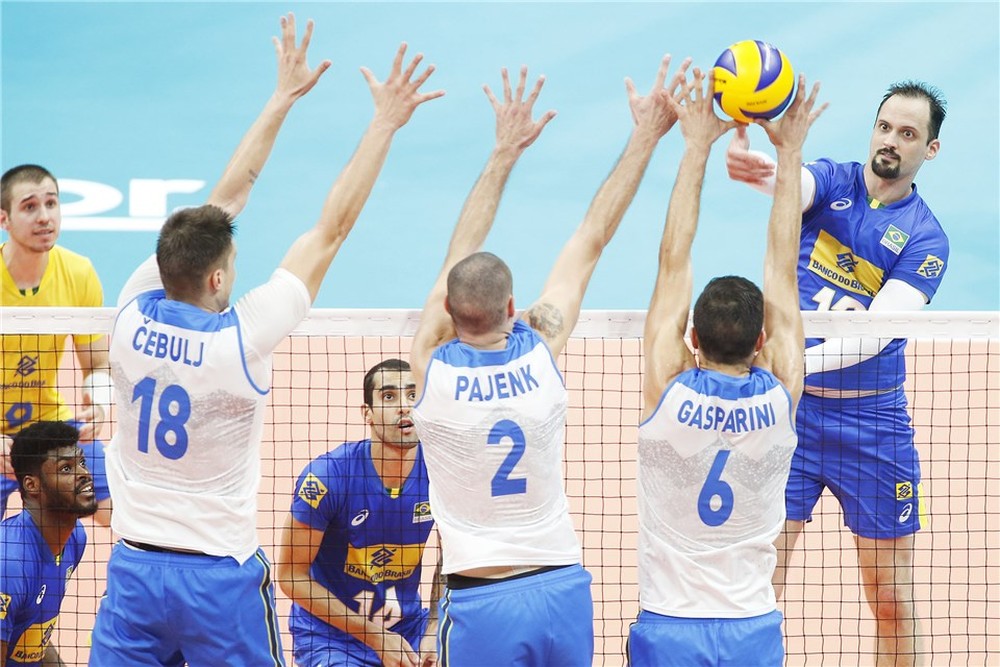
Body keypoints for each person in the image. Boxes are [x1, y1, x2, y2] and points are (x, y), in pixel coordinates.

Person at [89, 14, 443, 666]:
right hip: (218, 582)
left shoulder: (132, 310)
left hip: (135, 573)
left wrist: (280, 96)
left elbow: (221, 203)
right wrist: (384, 124)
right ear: (218, 277)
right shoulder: (241, 340)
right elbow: (330, 230)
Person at [409, 58, 690, 666]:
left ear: (448, 311)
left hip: (480, 600)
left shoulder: (432, 367)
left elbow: (459, 252)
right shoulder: (539, 348)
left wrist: (503, 152)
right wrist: (646, 136)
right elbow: (591, 239)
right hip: (562, 590)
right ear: (514, 308)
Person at [726, 80, 948, 665]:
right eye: (885, 127)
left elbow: (876, 333)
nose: (891, 141)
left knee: (890, 596)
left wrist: (791, 364)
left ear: (930, 149)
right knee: (757, 582)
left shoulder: (926, 239)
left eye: (908, 134)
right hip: (791, 419)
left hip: (872, 426)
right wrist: (764, 166)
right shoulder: (832, 181)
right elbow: (790, 184)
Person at [627, 71, 824, 667]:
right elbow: (782, 270)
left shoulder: (668, 385)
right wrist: (789, 153)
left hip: (670, 625)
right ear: (762, 341)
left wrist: (695, 146)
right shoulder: (780, 391)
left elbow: (673, 260)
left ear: (690, 338)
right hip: (750, 628)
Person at [277, 358, 442, 667]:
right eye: (389, 396)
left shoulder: (442, 472)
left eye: (413, 395)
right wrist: (374, 637)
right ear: (367, 413)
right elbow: (290, 575)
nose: (404, 406)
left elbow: (454, 559)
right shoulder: (328, 477)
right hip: (330, 637)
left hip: (409, 628)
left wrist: (433, 626)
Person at [1, 164, 113, 527]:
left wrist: (99, 403)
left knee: (119, 513)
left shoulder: (79, 273)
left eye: (51, 203)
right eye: (30, 206)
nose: (44, 217)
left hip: (50, 424)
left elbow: (97, 364)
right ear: (4, 219)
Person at [1, 420, 99, 666]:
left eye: (82, 462)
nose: (84, 474)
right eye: (66, 468)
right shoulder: (9, 564)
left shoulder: (74, 538)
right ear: (32, 485)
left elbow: (31, 635)